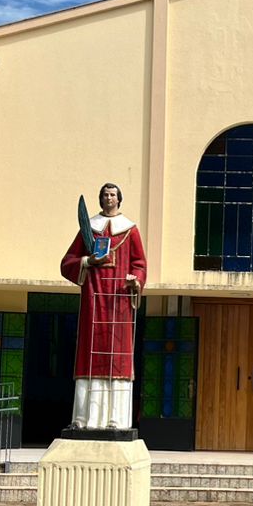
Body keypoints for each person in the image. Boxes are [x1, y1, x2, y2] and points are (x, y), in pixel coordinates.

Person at [59, 182, 147, 431]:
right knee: (89, 353)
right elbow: (67, 262)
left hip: (118, 301)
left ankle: (116, 419)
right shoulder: (90, 229)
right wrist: (87, 261)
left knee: (118, 358)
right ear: (101, 199)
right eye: (105, 195)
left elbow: (139, 263)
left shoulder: (130, 230)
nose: (109, 198)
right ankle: (84, 419)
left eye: (112, 194)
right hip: (94, 300)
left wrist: (135, 280)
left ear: (119, 199)